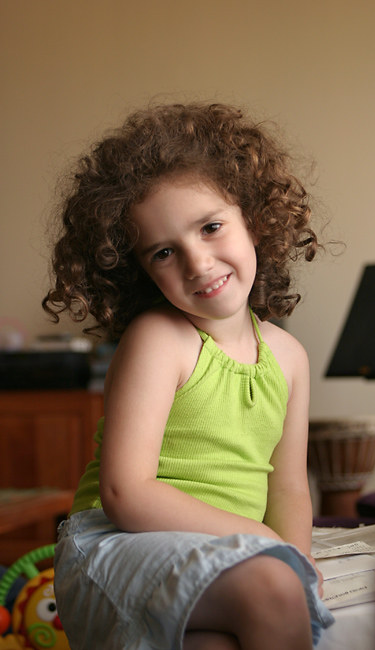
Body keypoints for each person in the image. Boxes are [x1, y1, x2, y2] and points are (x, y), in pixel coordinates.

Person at [43, 102, 334, 650]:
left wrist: (299, 555)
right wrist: (267, 544)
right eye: (164, 252)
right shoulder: (159, 339)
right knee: (273, 586)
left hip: (223, 556)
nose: (197, 264)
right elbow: (125, 491)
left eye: (211, 227)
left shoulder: (289, 358)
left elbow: (290, 487)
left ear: (256, 220)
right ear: (141, 270)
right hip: (116, 544)